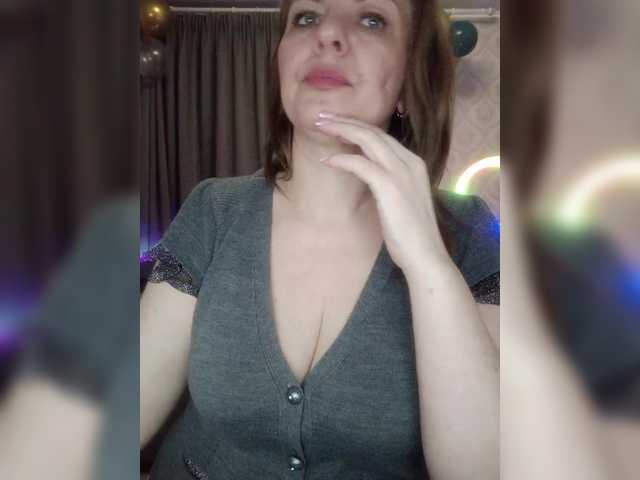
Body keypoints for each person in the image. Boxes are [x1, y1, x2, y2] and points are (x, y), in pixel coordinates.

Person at [140, 1, 499, 478]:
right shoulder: (213, 210)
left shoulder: (470, 233)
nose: (327, 33)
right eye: (306, 17)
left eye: (372, 20)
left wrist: (428, 263)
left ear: (408, 82)